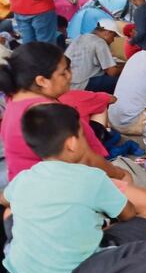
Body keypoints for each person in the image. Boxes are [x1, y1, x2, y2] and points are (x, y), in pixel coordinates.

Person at [0, 104, 146, 273]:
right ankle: (134, 270)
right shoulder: (92, 177)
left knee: (11, 213)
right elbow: (128, 214)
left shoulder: (24, 178)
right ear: (72, 143)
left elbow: (5, 199)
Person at [0, 43, 127, 183]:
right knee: (143, 195)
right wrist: (118, 173)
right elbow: (86, 159)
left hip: (30, 186)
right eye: (63, 72)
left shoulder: (15, 99)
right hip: (57, 188)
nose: (69, 76)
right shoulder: (48, 113)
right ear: (41, 80)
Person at [65, 18, 122, 93]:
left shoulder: (79, 37)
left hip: (67, 83)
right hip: (82, 84)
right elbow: (112, 72)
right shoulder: (99, 42)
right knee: (121, 81)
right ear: (107, 33)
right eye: (113, 36)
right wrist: (126, 67)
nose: (113, 40)